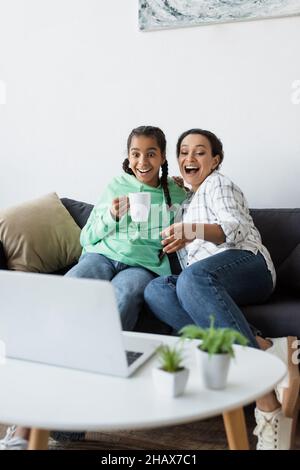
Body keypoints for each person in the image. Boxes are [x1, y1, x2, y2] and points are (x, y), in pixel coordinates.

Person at [0, 125, 187, 450]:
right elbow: (87, 238)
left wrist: (185, 186)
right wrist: (111, 216)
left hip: (141, 267)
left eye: (151, 153)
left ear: (162, 157)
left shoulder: (175, 193)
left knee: (121, 300)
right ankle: (27, 417)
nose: (143, 161)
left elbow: (202, 205)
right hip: (101, 256)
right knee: (68, 292)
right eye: (135, 153)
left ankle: (61, 418)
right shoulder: (116, 186)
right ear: (127, 158)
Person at [144, 128, 299, 450]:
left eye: (200, 152)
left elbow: (236, 227)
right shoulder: (185, 199)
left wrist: (193, 230)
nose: (190, 157)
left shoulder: (219, 184)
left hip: (247, 266)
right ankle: (264, 345)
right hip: (204, 280)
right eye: (184, 152)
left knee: (192, 280)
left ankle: (265, 400)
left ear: (215, 160)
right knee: (157, 289)